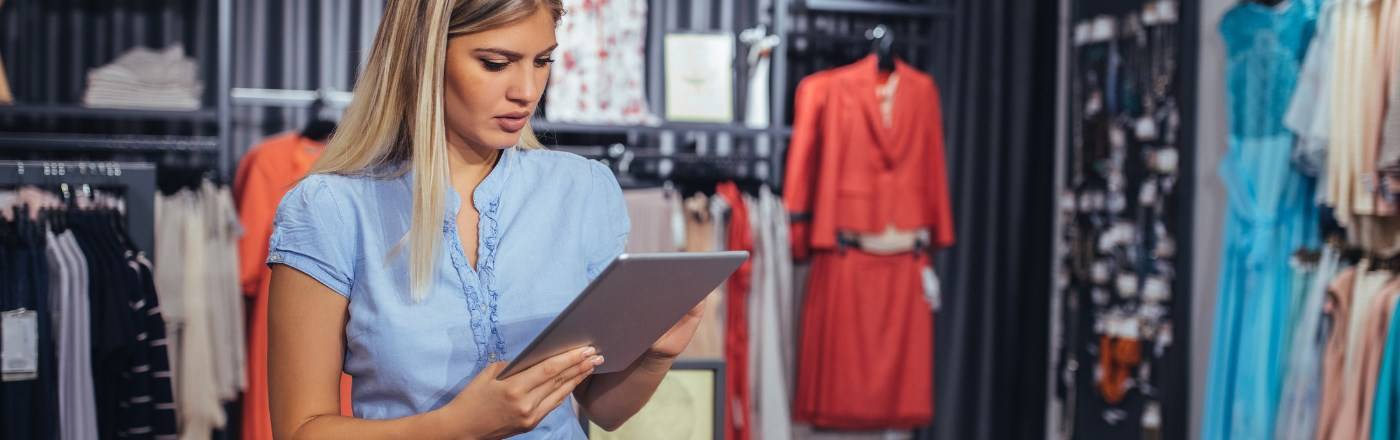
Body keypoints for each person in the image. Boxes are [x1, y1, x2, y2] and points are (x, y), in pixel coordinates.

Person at [265, 0, 704, 438]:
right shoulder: (330, 208)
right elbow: (300, 429)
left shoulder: (583, 189)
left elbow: (602, 407)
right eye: (496, 64)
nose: (527, 91)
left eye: (543, 61)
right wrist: (455, 426)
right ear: (424, 56)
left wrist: (656, 355)